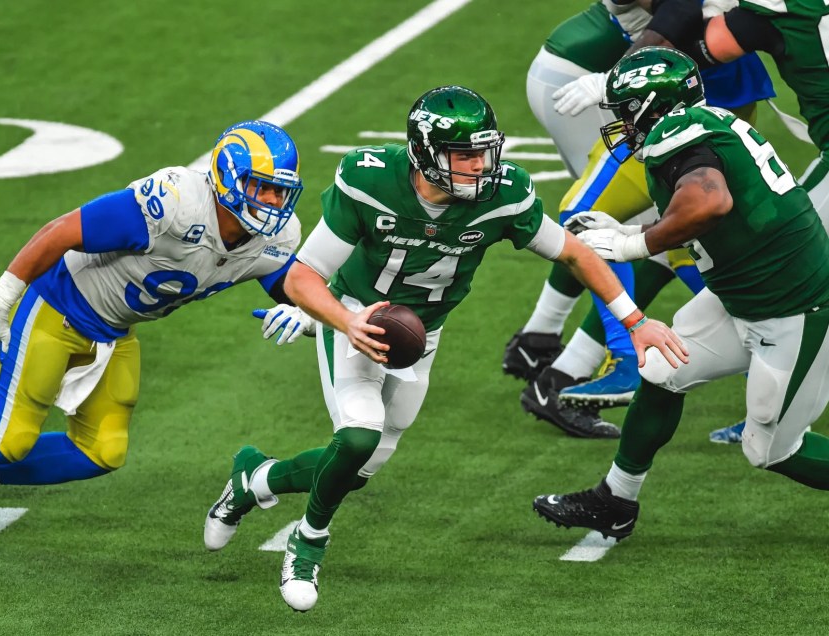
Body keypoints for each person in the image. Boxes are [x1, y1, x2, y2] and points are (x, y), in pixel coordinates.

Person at [203, 86, 688, 612]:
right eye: (464, 155)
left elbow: (574, 253)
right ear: (424, 153)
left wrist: (635, 321)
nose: (481, 165)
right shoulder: (370, 179)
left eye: (484, 151)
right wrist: (343, 321)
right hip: (358, 318)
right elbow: (303, 274)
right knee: (359, 435)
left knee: (357, 469)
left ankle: (254, 479)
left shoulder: (503, 194)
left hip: (421, 337)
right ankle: (308, 543)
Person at [0, 120, 314, 537]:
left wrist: (316, 318)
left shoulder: (273, 238)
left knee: (103, 450)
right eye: (263, 188)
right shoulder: (178, 202)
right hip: (59, 307)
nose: (273, 202)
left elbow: (295, 290)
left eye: (281, 191)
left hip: (114, 330)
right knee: (5, 441)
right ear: (227, 178)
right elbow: (62, 231)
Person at [533, 48, 829, 540]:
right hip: (745, 293)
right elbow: (713, 213)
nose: (622, 124)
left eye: (627, 111)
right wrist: (635, 229)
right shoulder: (702, 125)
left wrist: (632, 244)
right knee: (662, 368)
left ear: (653, 107)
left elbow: (709, 203)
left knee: (771, 448)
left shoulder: (678, 133)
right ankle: (615, 501)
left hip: (796, 309)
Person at [548, 0, 829, 443]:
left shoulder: (771, 12)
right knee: (695, 242)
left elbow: (689, 29)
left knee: (786, 256)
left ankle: (784, 403)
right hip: (741, 110)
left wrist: (632, 243)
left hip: (720, 113)